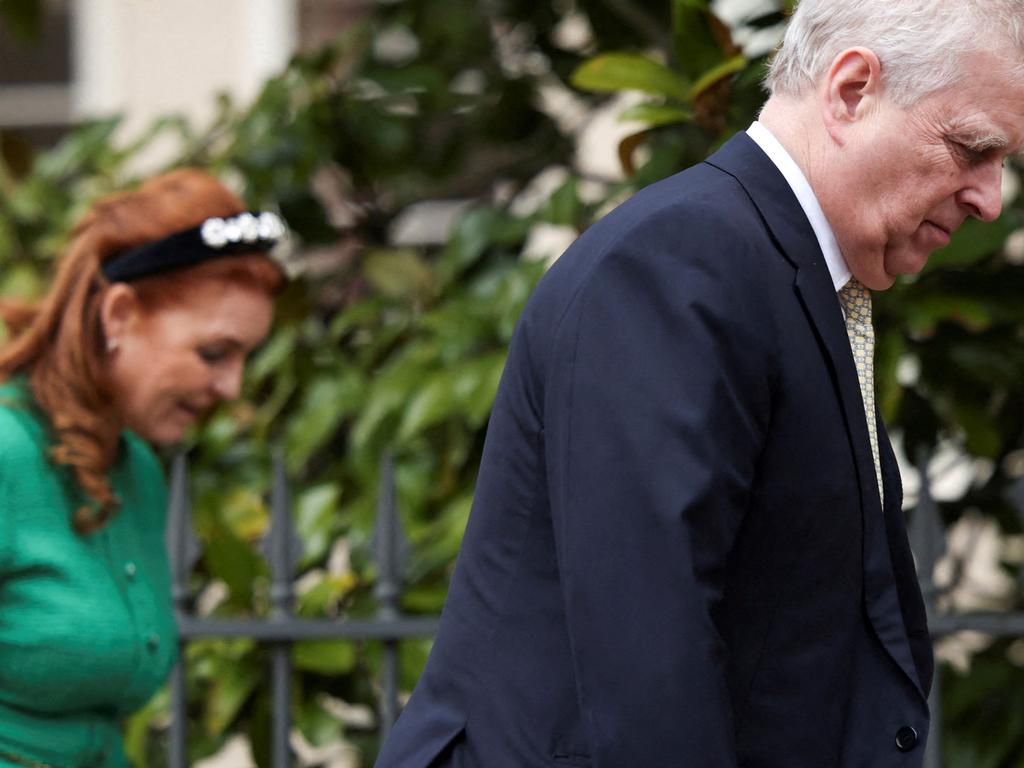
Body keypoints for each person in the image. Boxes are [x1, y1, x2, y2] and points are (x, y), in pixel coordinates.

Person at [375, 1, 1024, 766]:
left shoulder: (760, 262)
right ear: (851, 90)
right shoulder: (674, 262)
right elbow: (649, 658)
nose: (992, 198)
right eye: (970, 148)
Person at [0, 169, 286, 768]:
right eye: (213, 353)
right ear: (120, 314)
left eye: (243, 359)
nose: (231, 387)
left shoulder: (137, 470)